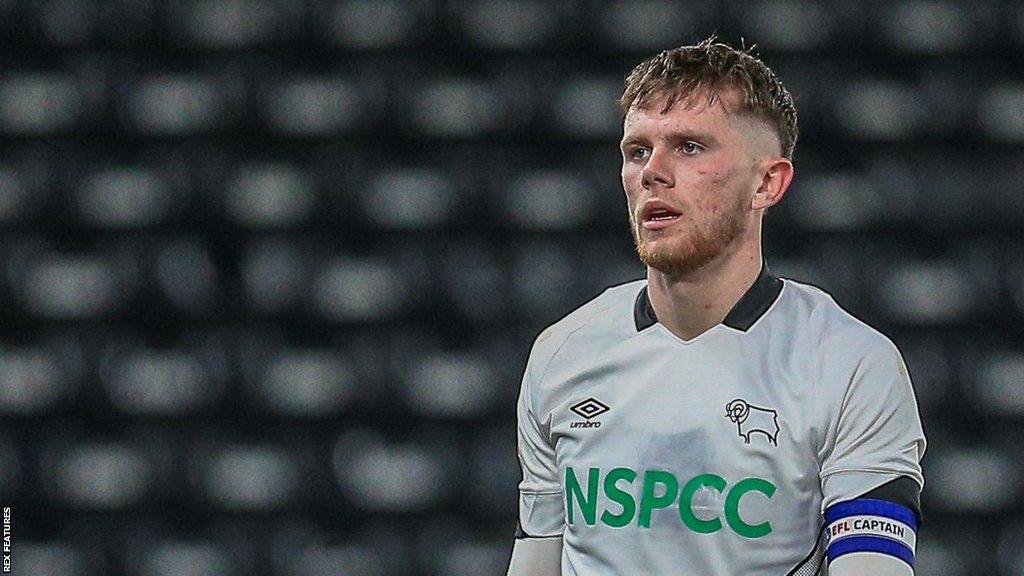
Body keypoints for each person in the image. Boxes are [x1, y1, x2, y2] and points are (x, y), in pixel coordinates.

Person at [506, 36, 926, 576]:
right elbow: (537, 561)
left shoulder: (849, 365)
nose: (653, 172)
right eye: (638, 151)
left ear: (767, 183)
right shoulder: (562, 354)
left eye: (689, 147)